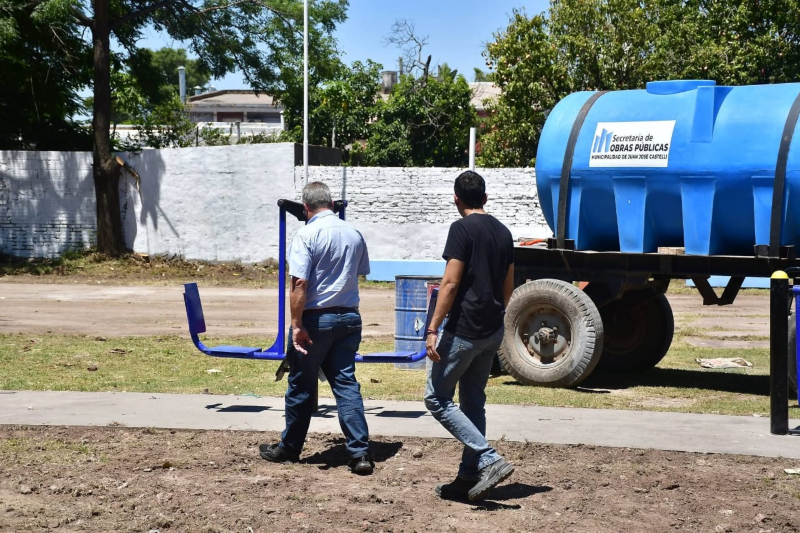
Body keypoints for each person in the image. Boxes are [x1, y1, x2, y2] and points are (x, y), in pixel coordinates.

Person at [260, 181, 374, 475]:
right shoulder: (354, 234)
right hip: (349, 318)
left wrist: (296, 324)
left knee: (300, 384)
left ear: (306, 208)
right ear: (333, 204)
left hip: (315, 319)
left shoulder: (306, 234)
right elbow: (359, 272)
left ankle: (289, 448)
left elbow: (299, 284)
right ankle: (359, 453)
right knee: (346, 383)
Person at [424, 170, 515, 501]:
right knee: (473, 401)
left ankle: (488, 458)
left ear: (456, 199)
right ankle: (467, 476)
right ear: (486, 198)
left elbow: (449, 283)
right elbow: (509, 283)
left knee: (436, 398)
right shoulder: (504, 233)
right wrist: (497, 315)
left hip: (465, 329)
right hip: (492, 329)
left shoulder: (460, 230)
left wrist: (433, 327)